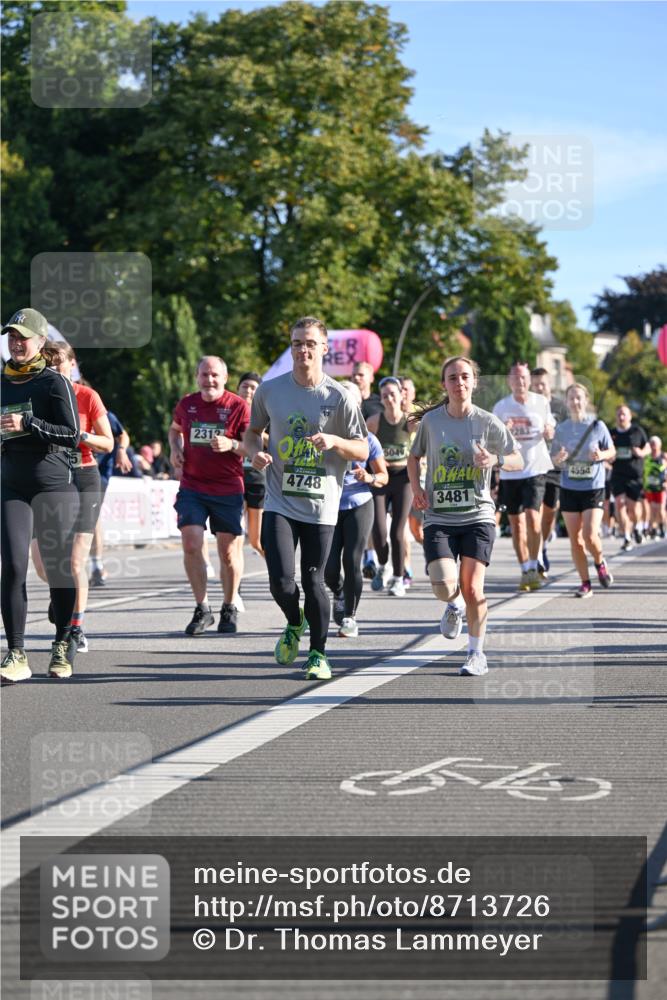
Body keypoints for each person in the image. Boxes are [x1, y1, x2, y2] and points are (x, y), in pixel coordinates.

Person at [243, 316, 368, 680]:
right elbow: (253, 433)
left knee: (314, 581)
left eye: (311, 343)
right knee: (281, 582)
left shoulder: (339, 397)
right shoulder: (270, 390)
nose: (303, 350)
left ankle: (318, 654)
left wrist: (335, 442)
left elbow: (361, 448)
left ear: (324, 348)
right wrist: (255, 454)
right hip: (280, 500)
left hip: (321, 505)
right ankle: (294, 621)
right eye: (297, 343)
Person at [408, 356, 522, 676]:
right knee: (444, 585)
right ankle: (453, 604)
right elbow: (414, 457)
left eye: (465, 377)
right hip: (440, 516)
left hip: (477, 514)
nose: (459, 383)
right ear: (444, 384)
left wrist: (495, 460)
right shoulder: (431, 422)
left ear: (474, 382)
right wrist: (417, 487)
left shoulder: (487, 422)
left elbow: (517, 459)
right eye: (453, 378)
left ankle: (476, 654)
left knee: (474, 588)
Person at [1, 308, 80, 683]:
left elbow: (72, 434)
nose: (16, 344)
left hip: (52, 484)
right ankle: (15, 652)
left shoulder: (53, 383)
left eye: (23, 337)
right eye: (12, 337)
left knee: (56, 567)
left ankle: (62, 643)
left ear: (40, 342)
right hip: (11, 483)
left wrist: (28, 423)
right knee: (14, 566)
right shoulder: (1, 380)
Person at [30, 342, 113, 653]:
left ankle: (75, 626)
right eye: (47, 365)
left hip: (83, 478)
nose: (53, 370)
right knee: (42, 563)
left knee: (75, 560)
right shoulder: (34, 396)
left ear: (72, 365)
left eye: (59, 364)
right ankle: (60, 597)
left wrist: (81, 436)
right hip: (47, 481)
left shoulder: (86, 396)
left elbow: (108, 443)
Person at [169, 356, 249, 636]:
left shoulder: (238, 406)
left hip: (227, 487)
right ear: (197, 377)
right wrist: (174, 449)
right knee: (191, 542)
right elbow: (175, 430)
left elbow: (253, 446)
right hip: (193, 486)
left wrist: (232, 443)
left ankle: (229, 605)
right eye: (204, 375)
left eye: (215, 375)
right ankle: (202, 608)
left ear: (225, 378)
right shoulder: (187, 404)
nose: (209, 380)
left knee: (227, 552)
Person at [323, 381, 388, 638]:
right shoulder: (324, 437)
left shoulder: (369, 439)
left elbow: (383, 476)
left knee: (352, 561)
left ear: (357, 406)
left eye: (349, 403)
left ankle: (350, 616)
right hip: (328, 506)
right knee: (327, 569)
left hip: (359, 504)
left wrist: (369, 478)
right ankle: (339, 591)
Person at [492, 361, 555, 591]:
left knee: (532, 516)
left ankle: (533, 562)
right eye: (516, 378)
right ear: (509, 381)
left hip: (536, 468)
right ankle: (525, 570)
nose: (520, 382)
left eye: (524, 378)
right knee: (516, 525)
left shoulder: (541, 402)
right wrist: (503, 431)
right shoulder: (500, 407)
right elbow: (492, 440)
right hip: (511, 472)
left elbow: (550, 427)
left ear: (529, 381)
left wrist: (549, 431)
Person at [551, 384, 616, 597]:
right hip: (569, 487)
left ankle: (600, 561)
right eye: (571, 398)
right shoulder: (561, 429)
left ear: (585, 400)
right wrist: (558, 459)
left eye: (579, 398)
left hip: (593, 488)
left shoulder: (597, 425)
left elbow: (612, 451)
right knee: (575, 540)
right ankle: (585, 582)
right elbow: (554, 459)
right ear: (567, 402)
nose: (575, 402)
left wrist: (601, 456)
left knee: (589, 535)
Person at [366, 376, 415, 597]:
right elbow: (362, 448)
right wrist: (374, 461)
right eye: (384, 395)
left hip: (404, 478)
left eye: (392, 394)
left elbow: (422, 446)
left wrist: (417, 462)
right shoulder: (374, 421)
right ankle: (383, 565)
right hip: (380, 477)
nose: (389, 399)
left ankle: (398, 577)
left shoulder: (411, 421)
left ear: (401, 395)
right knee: (378, 530)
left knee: (397, 531)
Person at [530, 367, 567, 574]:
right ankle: (537, 554)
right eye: (535, 386)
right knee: (536, 511)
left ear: (549, 384)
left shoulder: (560, 406)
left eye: (542, 384)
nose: (539, 388)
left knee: (550, 512)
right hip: (534, 465)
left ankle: (543, 542)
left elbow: (570, 433)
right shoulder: (527, 406)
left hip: (555, 465)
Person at [89, 411, 132, 587]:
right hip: (70, 472)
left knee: (92, 517)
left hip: (98, 474)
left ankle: (96, 566)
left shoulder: (99, 410)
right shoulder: (58, 405)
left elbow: (123, 435)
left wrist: (121, 450)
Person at [609, 405, 650, 550]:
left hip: (634, 475)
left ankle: (637, 527)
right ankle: (626, 536)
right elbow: (606, 451)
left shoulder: (637, 431)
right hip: (618, 474)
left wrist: (641, 453)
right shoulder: (611, 433)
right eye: (619, 414)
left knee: (633, 508)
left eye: (624, 414)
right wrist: (609, 457)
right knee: (619, 504)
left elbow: (648, 447)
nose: (621, 417)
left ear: (630, 416)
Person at [236, 372, 266, 558]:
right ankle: (234, 585)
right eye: (245, 386)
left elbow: (277, 442)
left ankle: (278, 576)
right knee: (235, 535)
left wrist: (253, 436)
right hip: (234, 479)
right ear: (238, 389)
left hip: (257, 479)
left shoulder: (266, 414)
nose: (248, 390)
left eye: (253, 387)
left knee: (256, 541)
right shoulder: (229, 412)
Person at [643, 436, 666, 538]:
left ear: (660, 445)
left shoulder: (664, 456)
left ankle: (662, 527)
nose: (653, 446)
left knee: (660, 509)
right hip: (649, 487)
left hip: (661, 487)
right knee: (652, 509)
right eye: (651, 444)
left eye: (655, 444)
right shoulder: (647, 457)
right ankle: (653, 529)